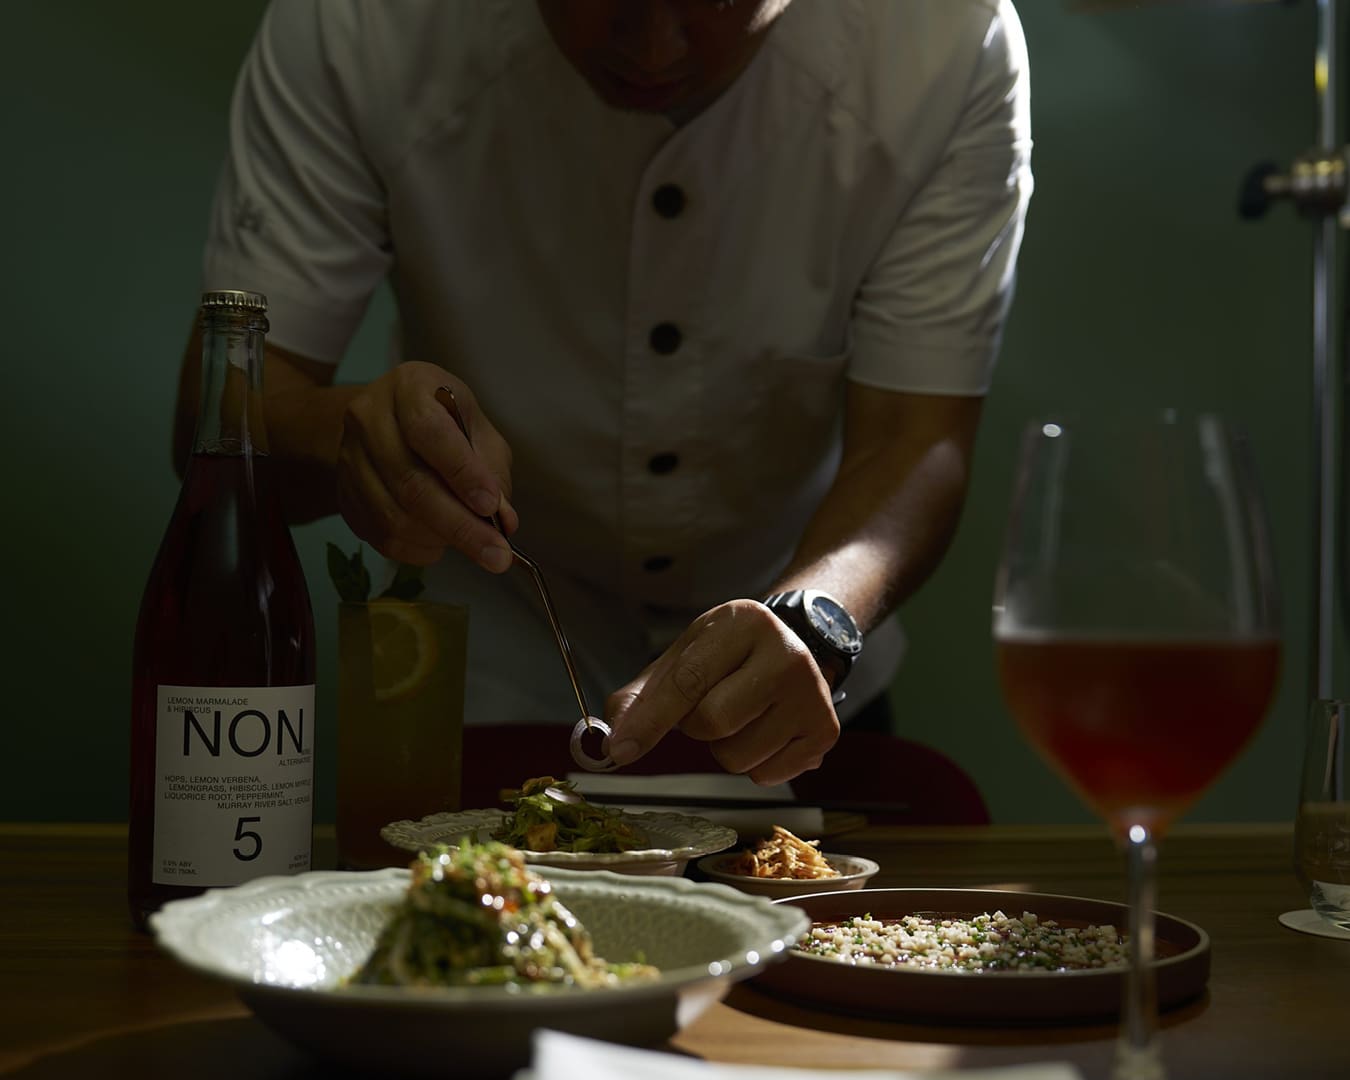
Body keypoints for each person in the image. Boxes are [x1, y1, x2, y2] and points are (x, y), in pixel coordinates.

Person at [174, 0, 1033, 786]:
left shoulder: (949, 38)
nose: (653, 44)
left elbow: (915, 439)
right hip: (485, 689)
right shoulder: (355, 23)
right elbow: (216, 424)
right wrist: (346, 438)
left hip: (802, 685)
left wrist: (816, 621)